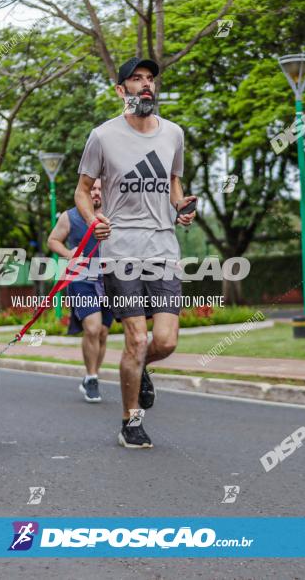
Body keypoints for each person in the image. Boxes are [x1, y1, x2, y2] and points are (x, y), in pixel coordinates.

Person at [74, 57, 196, 449]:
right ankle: (131, 421)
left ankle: (139, 369)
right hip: (120, 248)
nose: (146, 85)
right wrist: (93, 218)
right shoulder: (103, 136)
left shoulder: (173, 134)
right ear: (121, 90)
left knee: (166, 341)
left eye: (150, 79)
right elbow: (82, 189)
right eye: (136, 79)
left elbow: (174, 181)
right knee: (137, 340)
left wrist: (181, 206)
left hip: (162, 246)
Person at [47, 178, 113, 403]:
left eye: (100, 189)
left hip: (110, 281)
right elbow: (53, 240)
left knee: (103, 332)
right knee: (92, 328)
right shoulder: (71, 216)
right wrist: (70, 255)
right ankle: (92, 377)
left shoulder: (116, 215)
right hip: (82, 279)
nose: (96, 193)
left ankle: (92, 376)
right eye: (92, 188)